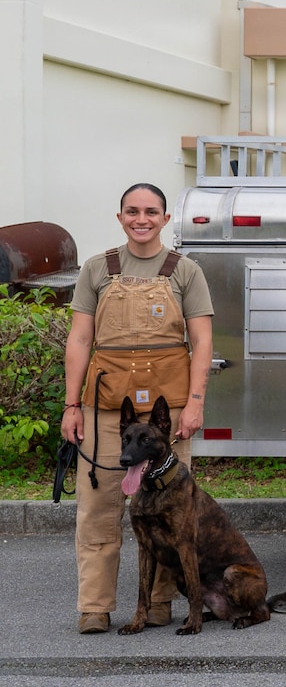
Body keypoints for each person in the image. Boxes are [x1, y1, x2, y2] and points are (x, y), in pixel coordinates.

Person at [61, 183, 214, 634]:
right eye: (132, 211)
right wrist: (72, 404)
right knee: (97, 508)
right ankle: (95, 605)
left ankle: (162, 602)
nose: (141, 219)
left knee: (172, 513)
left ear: (166, 219)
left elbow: (202, 342)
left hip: (168, 415)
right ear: (120, 216)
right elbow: (80, 340)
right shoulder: (97, 269)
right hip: (106, 408)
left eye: (151, 212)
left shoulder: (186, 271)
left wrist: (196, 403)